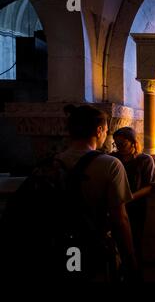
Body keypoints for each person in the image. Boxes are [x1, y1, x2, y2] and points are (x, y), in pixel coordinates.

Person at [57, 105, 137, 281]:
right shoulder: (110, 165)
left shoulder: (55, 162)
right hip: (94, 244)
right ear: (99, 130)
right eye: (107, 130)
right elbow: (120, 219)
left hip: (64, 244)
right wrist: (130, 260)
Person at [111, 127, 155, 280]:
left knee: (135, 241)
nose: (119, 148)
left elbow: (149, 186)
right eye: (116, 144)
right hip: (115, 208)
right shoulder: (113, 159)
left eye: (122, 144)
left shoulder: (144, 160)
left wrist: (129, 197)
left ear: (133, 143)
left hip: (136, 207)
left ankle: (135, 274)